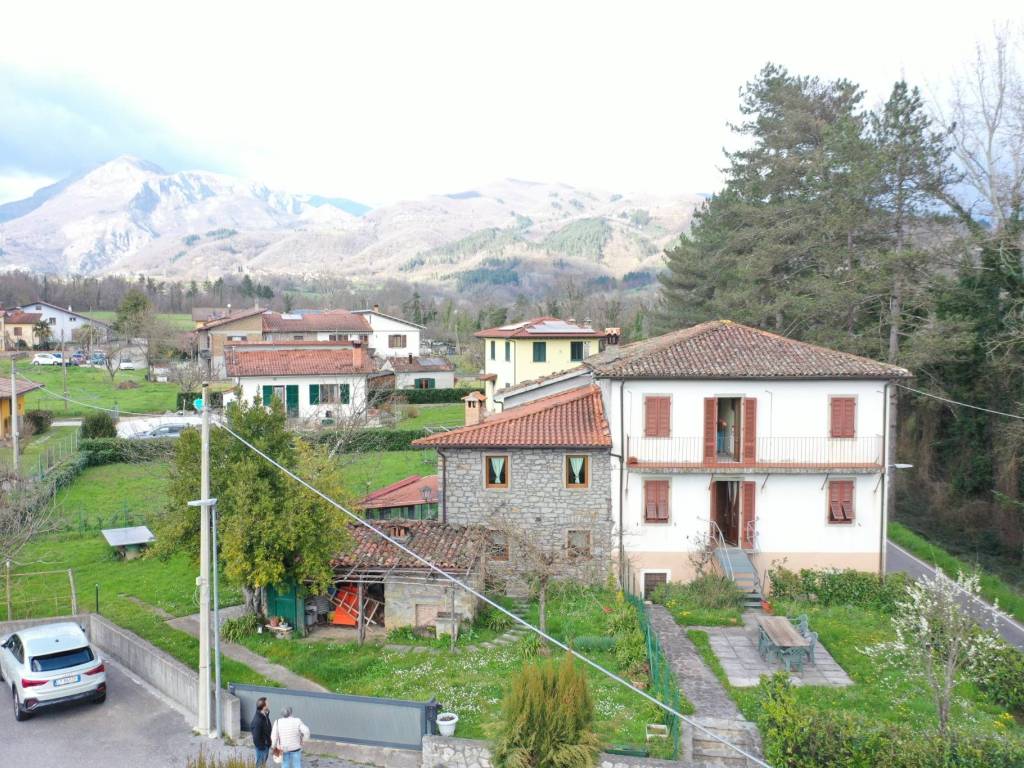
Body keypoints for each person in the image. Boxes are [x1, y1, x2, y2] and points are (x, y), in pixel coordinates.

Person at [250, 696, 272, 767]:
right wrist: (262, 746)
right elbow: (256, 737)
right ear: (263, 706)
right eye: (267, 703)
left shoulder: (264, 714)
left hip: (266, 744)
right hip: (262, 747)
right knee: (260, 764)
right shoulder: (258, 721)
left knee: (263, 763)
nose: (268, 704)